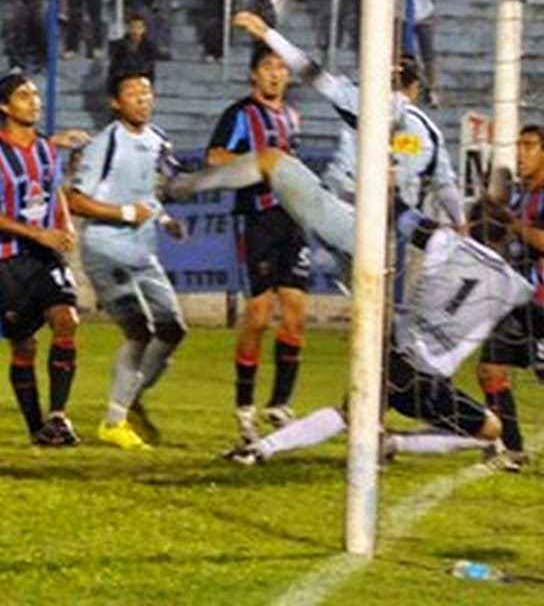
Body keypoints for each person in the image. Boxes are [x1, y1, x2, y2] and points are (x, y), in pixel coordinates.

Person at [165, 151, 532, 467]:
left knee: (350, 412)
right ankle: (397, 443)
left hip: (393, 357)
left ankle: (260, 449)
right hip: (428, 383)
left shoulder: (445, 241)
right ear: (507, 238)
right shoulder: (515, 286)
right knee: (490, 430)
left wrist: (387, 182)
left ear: (470, 225)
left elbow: (399, 213)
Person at [232, 11, 464, 229]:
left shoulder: (359, 101)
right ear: (414, 88)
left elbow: (309, 71)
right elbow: (444, 186)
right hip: (390, 221)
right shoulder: (425, 131)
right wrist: (460, 223)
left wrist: (266, 33)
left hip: (338, 209)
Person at [69, 66, 187, 450]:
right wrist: (122, 214)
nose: (142, 99)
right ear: (116, 103)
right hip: (105, 249)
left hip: (142, 250)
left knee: (173, 329)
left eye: (146, 92)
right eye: (133, 94)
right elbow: (75, 200)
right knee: (139, 331)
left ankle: (130, 397)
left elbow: (147, 194)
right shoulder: (106, 143)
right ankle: (114, 420)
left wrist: (165, 220)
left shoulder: (157, 141)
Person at [206, 25, 309, 444]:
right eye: (268, 67)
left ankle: (279, 403)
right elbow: (215, 156)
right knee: (261, 314)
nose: (276, 74)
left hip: (292, 219)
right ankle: (245, 405)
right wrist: (257, 163)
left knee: (297, 310)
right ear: (254, 74)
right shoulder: (240, 114)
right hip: (259, 220)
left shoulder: (292, 116)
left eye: (281, 68)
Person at [0, 73, 81, 447]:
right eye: (23, 96)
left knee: (66, 319)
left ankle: (58, 416)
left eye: (35, 94)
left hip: (46, 255)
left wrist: (64, 223)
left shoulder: (47, 149)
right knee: (25, 346)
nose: (33, 101)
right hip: (6, 261)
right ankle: (37, 428)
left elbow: (55, 191)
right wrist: (36, 232)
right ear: (4, 106)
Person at [477, 125, 544, 470]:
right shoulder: (520, 196)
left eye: (529, 146)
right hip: (520, 303)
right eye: (518, 145)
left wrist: (512, 225)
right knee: (490, 370)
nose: (521, 153)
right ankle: (513, 449)